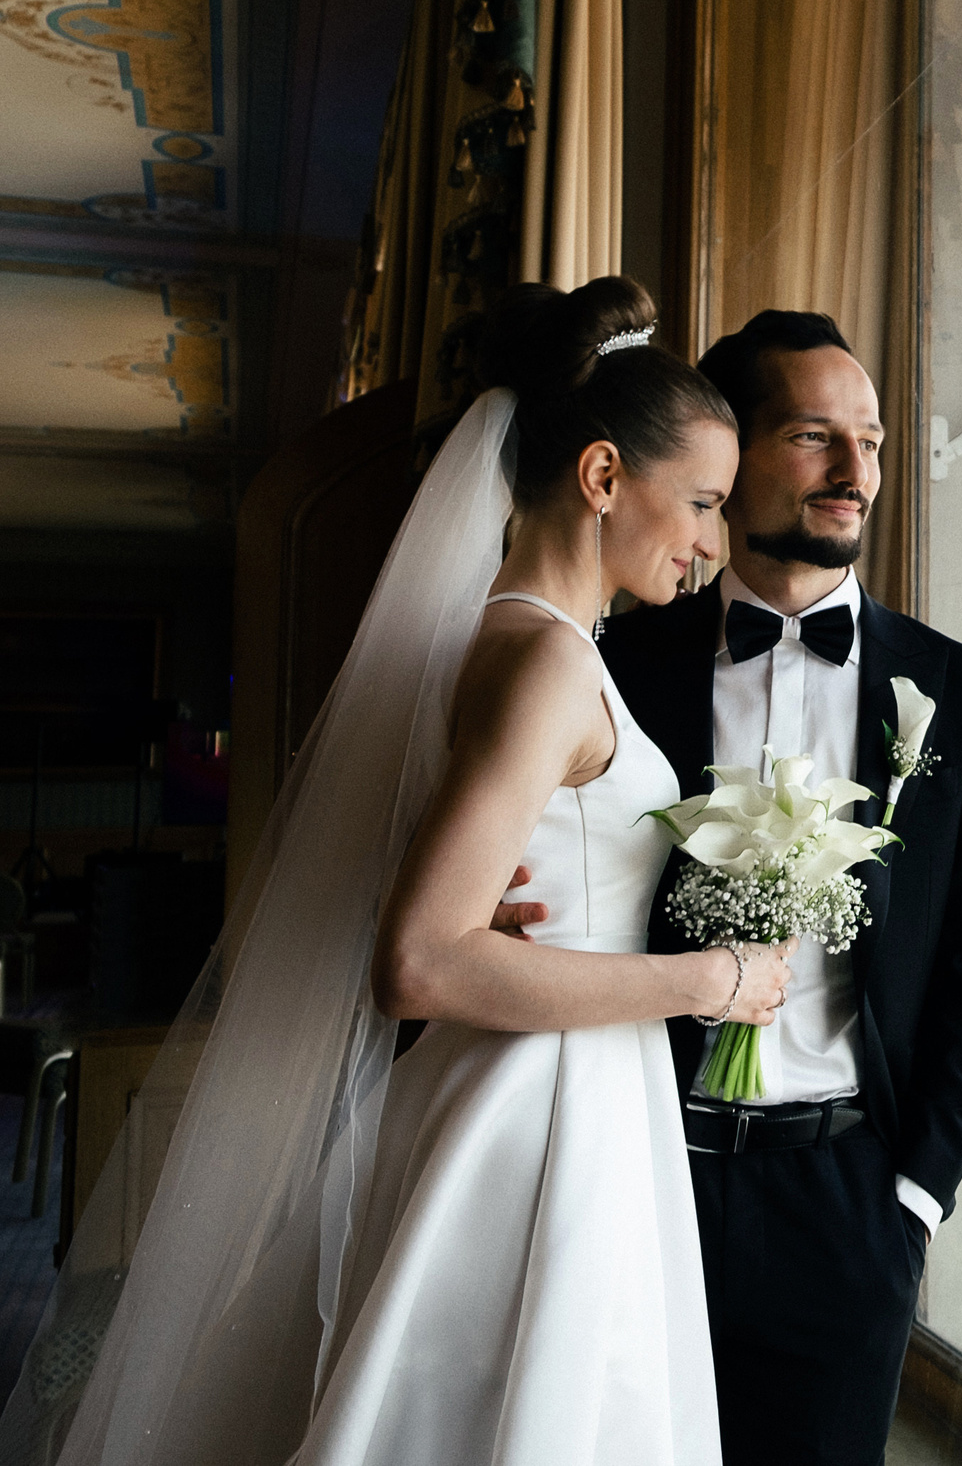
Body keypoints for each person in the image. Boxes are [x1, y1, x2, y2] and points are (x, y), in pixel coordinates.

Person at [8, 278, 792, 1464]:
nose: (711, 541)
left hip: (546, 1091)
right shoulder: (544, 665)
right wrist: (711, 983)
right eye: (699, 501)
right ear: (599, 479)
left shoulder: (503, 638)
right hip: (544, 1116)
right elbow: (420, 960)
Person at [602, 310, 962, 1466]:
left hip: (849, 1204)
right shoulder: (615, 666)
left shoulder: (957, 689)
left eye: (871, 443)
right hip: (643, 1178)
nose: (855, 474)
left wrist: (915, 1199)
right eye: (816, 437)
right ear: (730, 456)